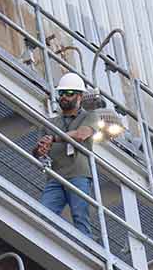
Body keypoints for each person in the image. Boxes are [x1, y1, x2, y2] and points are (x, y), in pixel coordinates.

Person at [32, 72, 104, 237]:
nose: (64, 97)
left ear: (79, 97)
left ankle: (87, 251)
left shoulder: (90, 116)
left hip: (78, 175)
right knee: (43, 213)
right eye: (61, 93)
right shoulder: (51, 123)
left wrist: (54, 138)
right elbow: (37, 151)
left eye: (69, 93)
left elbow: (81, 135)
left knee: (80, 218)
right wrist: (39, 151)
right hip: (56, 177)